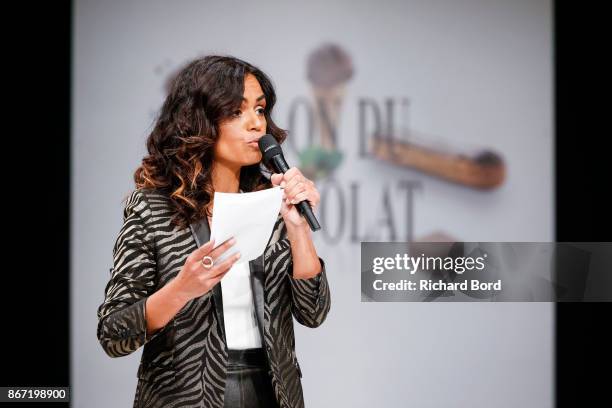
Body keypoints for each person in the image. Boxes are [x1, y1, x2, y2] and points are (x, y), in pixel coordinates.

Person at [96, 55, 331, 408]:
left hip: (272, 392)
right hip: (184, 397)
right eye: (237, 112)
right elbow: (113, 334)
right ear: (199, 122)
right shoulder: (152, 208)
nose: (256, 124)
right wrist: (181, 289)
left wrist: (298, 229)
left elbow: (313, 313)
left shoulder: (272, 203)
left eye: (260, 109)